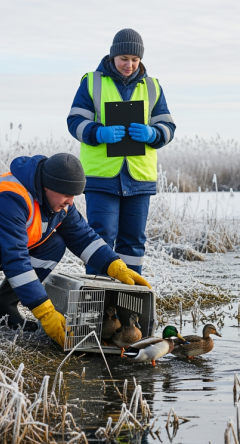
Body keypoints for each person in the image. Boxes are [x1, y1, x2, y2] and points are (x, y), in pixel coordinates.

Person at [0, 153, 151, 346]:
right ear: (47, 187)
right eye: (66, 195)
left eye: (74, 195)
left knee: (54, 245)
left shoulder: (59, 201)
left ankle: (3, 305)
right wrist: (46, 313)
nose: (69, 202)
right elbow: (15, 259)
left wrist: (115, 266)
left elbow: (84, 237)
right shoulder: (10, 196)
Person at [66, 28, 175, 275]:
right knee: (100, 238)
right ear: (113, 56)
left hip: (139, 178)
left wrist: (153, 134)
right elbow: (74, 122)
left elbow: (168, 127)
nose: (130, 65)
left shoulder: (152, 87)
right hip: (102, 177)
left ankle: (128, 302)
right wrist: (98, 133)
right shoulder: (91, 82)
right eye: (124, 59)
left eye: (135, 60)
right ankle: (98, 299)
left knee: (133, 242)